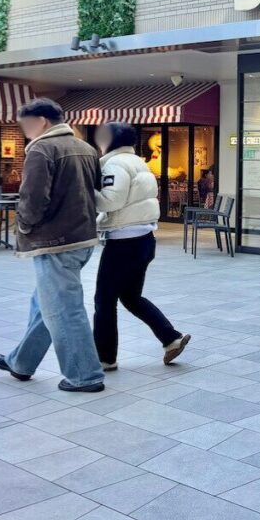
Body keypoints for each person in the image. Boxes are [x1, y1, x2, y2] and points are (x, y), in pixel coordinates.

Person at [0, 98, 105, 393]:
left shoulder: (41, 149)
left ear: (41, 121)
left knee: (64, 309)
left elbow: (32, 198)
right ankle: (21, 362)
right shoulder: (86, 147)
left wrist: (24, 226)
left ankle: (85, 375)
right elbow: (95, 190)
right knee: (45, 303)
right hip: (82, 237)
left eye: (26, 124)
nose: (25, 130)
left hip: (54, 242)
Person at [93, 121, 191, 370]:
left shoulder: (114, 164)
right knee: (130, 297)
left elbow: (110, 201)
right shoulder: (138, 162)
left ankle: (105, 358)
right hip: (144, 239)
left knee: (104, 300)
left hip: (123, 242)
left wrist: (85, 190)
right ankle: (171, 338)